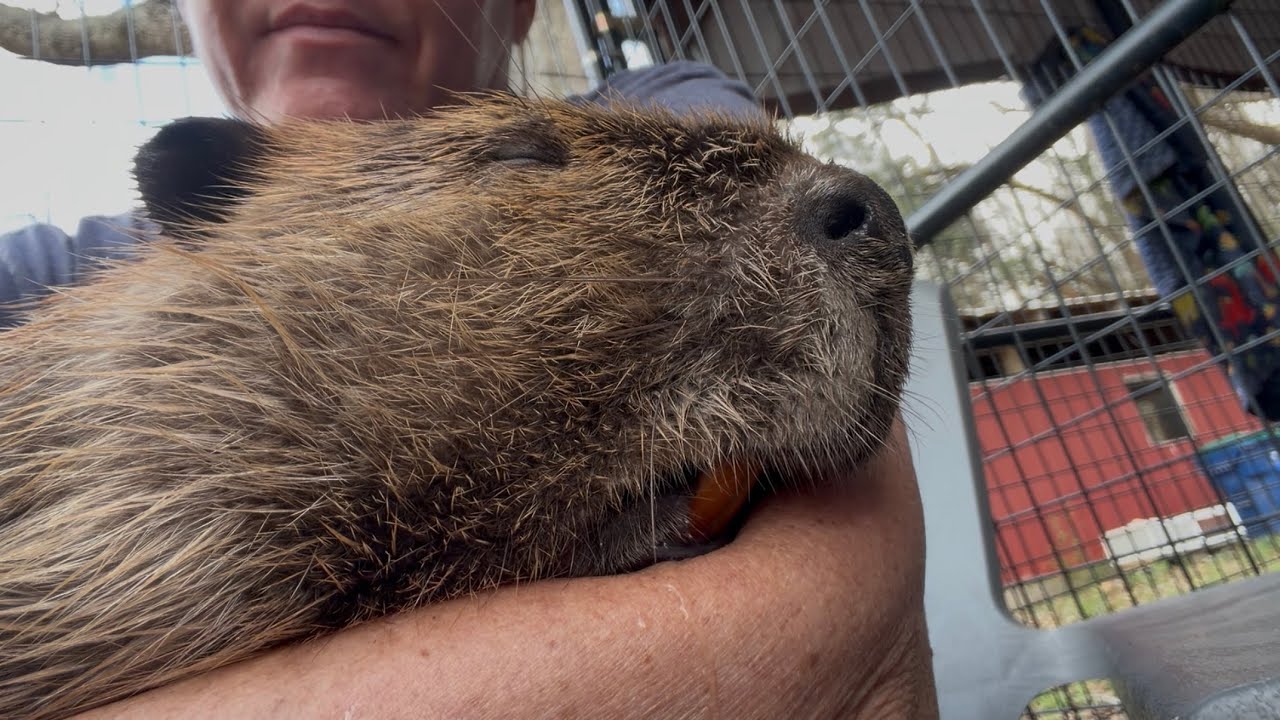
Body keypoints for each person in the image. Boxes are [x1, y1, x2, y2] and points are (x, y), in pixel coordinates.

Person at [2, 1, 938, 717]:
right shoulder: (54, 282)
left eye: (523, 169)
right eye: (522, 171)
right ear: (221, 196)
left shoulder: (652, 111)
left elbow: (833, 609)